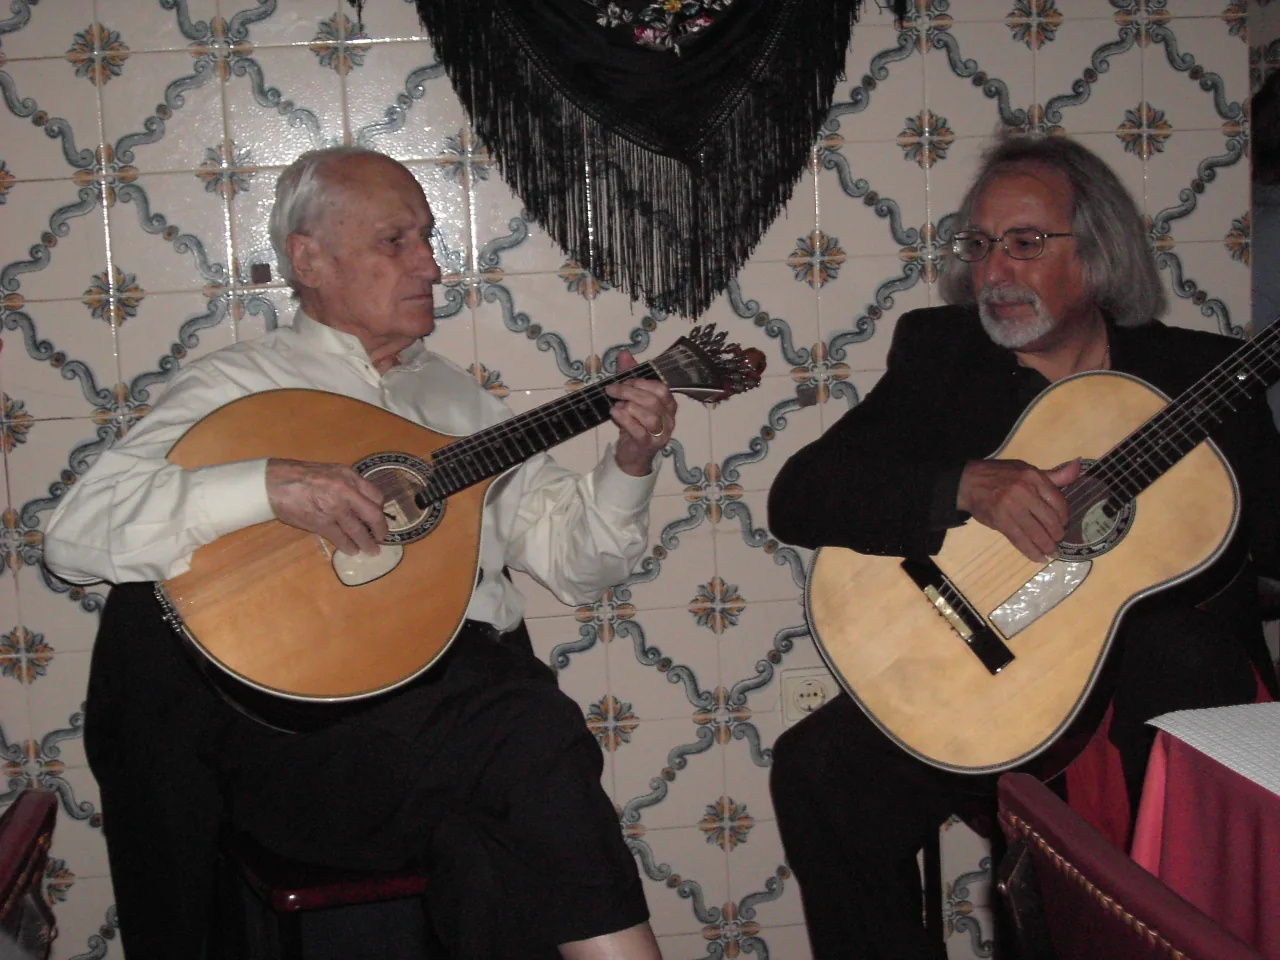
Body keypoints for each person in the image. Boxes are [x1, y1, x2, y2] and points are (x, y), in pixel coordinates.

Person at [42, 146, 678, 960]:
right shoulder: (238, 391)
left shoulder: (455, 399)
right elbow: (73, 537)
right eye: (395, 241)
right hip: (311, 748)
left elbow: (579, 564)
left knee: (497, 823)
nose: (431, 266)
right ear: (308, 259)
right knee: (528, 730)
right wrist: (268, 485)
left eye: (429, 239)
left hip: (462, 731)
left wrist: (630, 464)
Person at [766, 134, 1280, 959]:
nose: (993, 272)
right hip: (995, 688)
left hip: (1154, 703)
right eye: (980, 245)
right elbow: (801, 495)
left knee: (1173, 655)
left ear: (1101, 251)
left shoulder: (1205, 381)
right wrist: (966, 485)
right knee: (818, 773)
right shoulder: (942, 356)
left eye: (1026, 243)